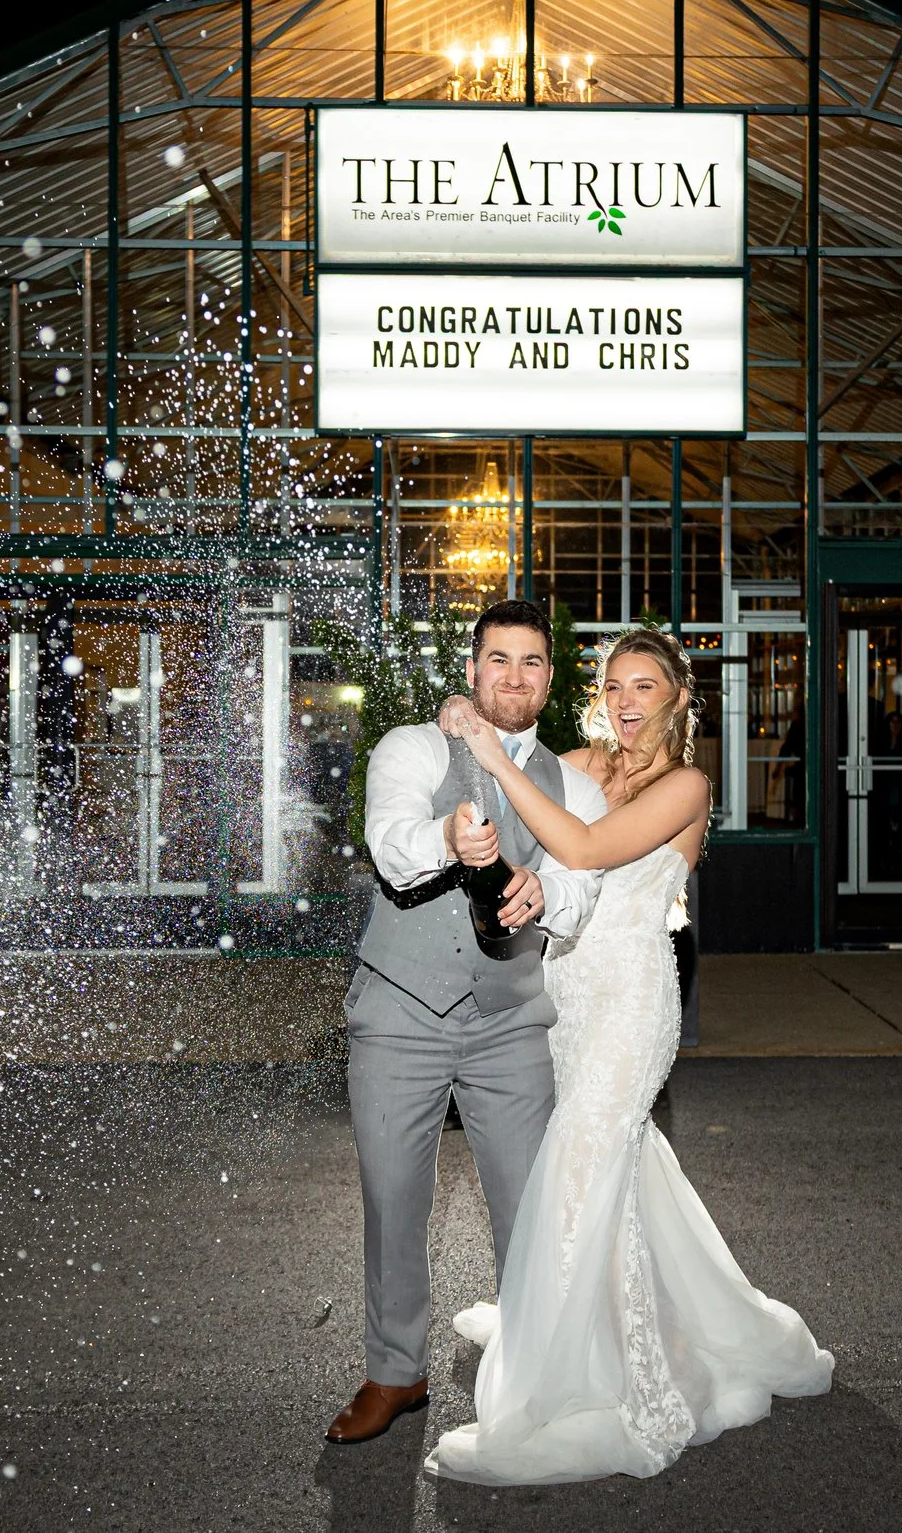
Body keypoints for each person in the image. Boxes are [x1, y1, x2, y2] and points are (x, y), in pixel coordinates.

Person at [422, 628, 832, 1486]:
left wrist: (495, 762)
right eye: (614, 685)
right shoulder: (583, 762)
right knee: (611, 1167)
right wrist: (465, 718)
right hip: (565, 998)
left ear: (679, 696)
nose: (627, 700)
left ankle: (573, 1376)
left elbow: (583, 849)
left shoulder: (687, 783)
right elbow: (510, 778)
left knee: (581, 1158)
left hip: (633, 1004)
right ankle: (620, 1314)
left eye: (646, 685)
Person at [324, 600, 611, 1446]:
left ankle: (531, 1373)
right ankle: (394, 1371)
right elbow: (389, 839)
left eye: (531, 663)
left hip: (510, 1019)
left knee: (528, 1205)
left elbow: (582, 880)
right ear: (473, 668)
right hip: (397, 1014)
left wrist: (546, 895)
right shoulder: (413, 746)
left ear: (549, 680)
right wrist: (450, 834)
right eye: (498, 660)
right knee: (393, 1198)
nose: (513, 677)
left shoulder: (577, 782)